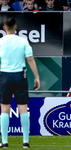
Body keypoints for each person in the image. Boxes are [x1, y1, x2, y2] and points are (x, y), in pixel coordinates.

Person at [0, 18, 40, 148]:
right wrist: (36, 77)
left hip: (4, 77)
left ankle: (5, 142)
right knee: (23, 109)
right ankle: (26, 141)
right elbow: (30, 59)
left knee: (4, 110)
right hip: (20, 77)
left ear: (4, 28)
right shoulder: (23, 41)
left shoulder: (0, 42)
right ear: (15, 27)